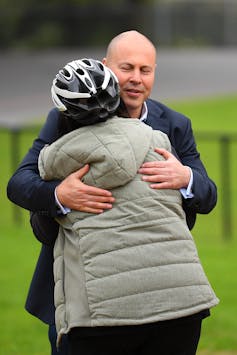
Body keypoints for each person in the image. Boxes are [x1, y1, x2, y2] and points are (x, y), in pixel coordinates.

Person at [7, 30, 217, 354]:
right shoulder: (69, 115)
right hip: (78, 288)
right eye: (126, 68)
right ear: (105, 66)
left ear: (154, 73)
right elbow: (20, 182)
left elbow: (208, 195)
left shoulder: (175, 125)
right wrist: (60, 195)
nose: (135, 79)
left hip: (162, 283)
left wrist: (186, 176)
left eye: (144, 70)